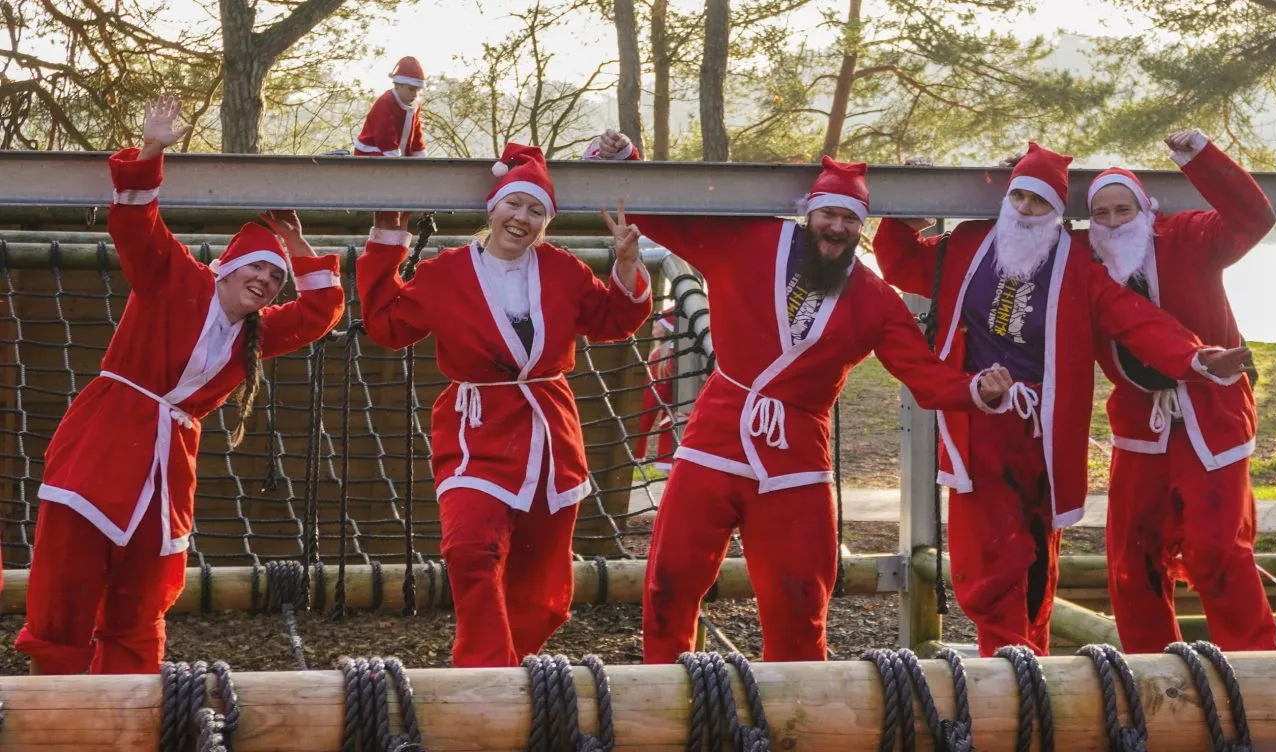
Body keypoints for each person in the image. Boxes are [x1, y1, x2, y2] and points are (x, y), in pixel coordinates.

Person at [586, 130, 1016, 663]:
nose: (837, 227)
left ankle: (798, 706)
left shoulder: (875, 299)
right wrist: (624, 159)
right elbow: (672, 218)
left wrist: (975, 388)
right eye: (828, 214)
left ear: (861, 228)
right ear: (809, 213)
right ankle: (668, 694)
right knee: (669, 581)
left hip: (798, 456)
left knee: (801, 598)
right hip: (715, 434)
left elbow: (923, 374)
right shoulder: (752, 241)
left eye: (850, 220)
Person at [872, 141, 1254, 656]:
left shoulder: (1076, 260)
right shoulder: (967, 243)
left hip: (1045, 427)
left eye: (1041, 202)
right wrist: (908, 208)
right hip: (978, 419)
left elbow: (1134, 319)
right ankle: (1006, 663)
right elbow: (901, 264)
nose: (1027, 211)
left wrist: (1196, 359)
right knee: (990, 555)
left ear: (1058, 211)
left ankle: (1035, 665)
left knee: (1037, 555)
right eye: (1020, 198)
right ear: (1007, 199)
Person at [14, 95, 346, 675]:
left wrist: (295, 243)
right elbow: (135, 224)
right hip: (104, 445)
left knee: (143, 594)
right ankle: (52, 697)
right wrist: (152, 148)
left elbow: (322, 311)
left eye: (276, 277)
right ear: (228, 267)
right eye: (257, 267)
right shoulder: (174, 278)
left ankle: (131, 703)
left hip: (168, 469)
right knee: (67, 579)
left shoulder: (256, 334)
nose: (267, 281)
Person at [357, 142, 652, 667]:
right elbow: (387, 324)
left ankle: (514, 672)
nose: (522, 218)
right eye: (514, 204)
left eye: (536, 210)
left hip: (549, 437)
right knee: (470, 550)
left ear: (546, 223)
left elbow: (614, 320)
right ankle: (485, 676)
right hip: (476, 432)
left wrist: (626, 265)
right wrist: (387, 241)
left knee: (543, 591)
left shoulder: (562, 269)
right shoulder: (447, 272)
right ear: (492, 209)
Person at [1085, 129, 1276, 652]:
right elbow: (1021, 236)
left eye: (1122, 210)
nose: (1112, 222)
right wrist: (1020, 180)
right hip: (1139, 420)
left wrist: (1200, 157)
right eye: (1100, 214)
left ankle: (1256, 667)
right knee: (1132, 557)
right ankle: (1151, 673)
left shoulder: (1187, 236)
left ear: (1145, 208)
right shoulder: (1085, 261)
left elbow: (1254, 219)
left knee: (1218, 548)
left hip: (1212, 411)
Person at [353, 56, 428, 158]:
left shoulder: (414, 106)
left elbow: (416, 135)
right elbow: (384, 135)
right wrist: (394, 160)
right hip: (373, 153)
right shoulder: (385, 102)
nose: (415, 94)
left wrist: (420, 157)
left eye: (418, 90)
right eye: (411, 89)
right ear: (397, 85)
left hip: (397, 154)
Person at [634, 311, 679, 470]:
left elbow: (650, 403)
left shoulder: (661, 356)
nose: (654, 329)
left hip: (672, 426)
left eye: (657, 326)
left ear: (666, 329)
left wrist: (637, 446)